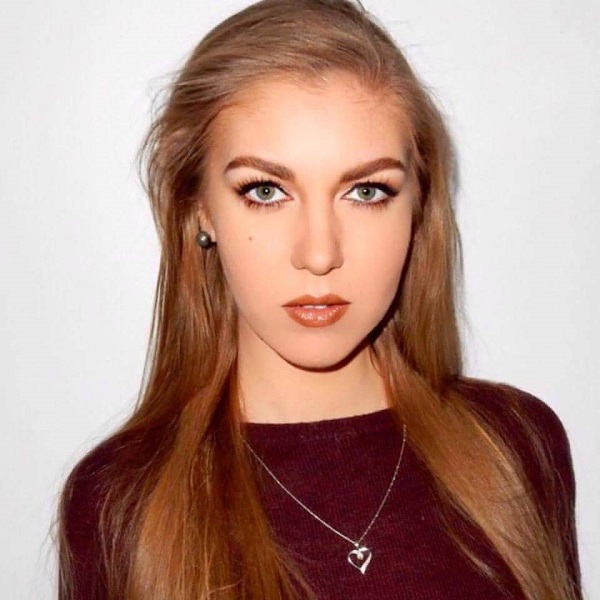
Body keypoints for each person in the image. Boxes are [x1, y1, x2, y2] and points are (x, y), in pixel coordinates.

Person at [56, 1, 581, 598]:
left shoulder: (512, 447)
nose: (320, 253)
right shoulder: (121, 502)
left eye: (366, 191)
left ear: (418, 206)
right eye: (265, 191)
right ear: (199, 209)